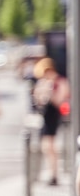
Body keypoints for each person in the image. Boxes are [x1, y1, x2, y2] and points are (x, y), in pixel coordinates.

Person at [32, 57, 70, 186]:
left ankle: (54, 173)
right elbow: (38, 100)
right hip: (45, 116)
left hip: (54, 116)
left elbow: (60, 101)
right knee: (45, 146)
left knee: (51, 146)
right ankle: (50, 172)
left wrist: (50, 91)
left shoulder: (60, 82)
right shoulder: (43, 82)